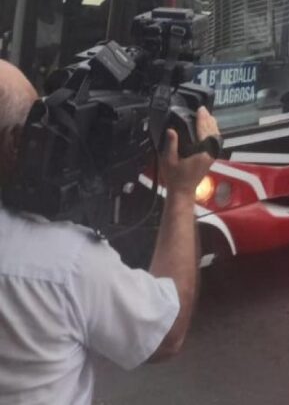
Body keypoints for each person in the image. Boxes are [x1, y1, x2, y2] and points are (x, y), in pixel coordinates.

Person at [0, 60, 221, 405]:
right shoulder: (65, 264)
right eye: (38, 122)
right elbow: (166, 334)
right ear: (16, 143)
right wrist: (181, 191)